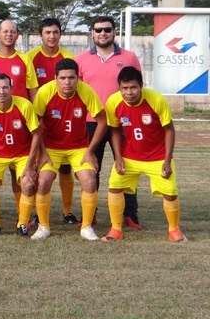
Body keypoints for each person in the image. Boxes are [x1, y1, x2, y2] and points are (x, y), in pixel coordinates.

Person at [102, 66, 187, 243]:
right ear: (119, 88)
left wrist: (167, 160)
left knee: (170, 193)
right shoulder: (113, 102)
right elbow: (115, 130)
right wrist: (118, 157)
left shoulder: (156, 100)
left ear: (141, 85)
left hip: (158, 156)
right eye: (124, 88)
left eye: (133, 87)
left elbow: (169, 130)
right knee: (114, 187)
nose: (129, 92)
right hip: (130, 156)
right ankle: (115, 229)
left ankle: (174, 230)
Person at [75, 16, 144, 230]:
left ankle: (130, 215)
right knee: (91, 169)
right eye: (98, 30)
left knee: (126, 168)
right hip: (91, 123)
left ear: (114, 32)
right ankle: (90, 214)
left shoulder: (129, 57)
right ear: (92, 33)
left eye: (107, 29)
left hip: (122, 123)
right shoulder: (81, 59)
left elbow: (138, 89)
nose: (103, 33)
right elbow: (76, 93)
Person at [31, 58, 107, 241]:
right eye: (63, 78)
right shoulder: (45, 92)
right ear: (55, 78)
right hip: (51, 147)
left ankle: (87, 227)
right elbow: (35, 124)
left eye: (71, 78)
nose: (67, 82)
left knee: (89, 180)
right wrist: (42, 151)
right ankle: (43, 226)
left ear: (78, 78)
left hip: (79, 147)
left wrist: (90, 150)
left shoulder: (86, 91)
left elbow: (103, 121)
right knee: (43, 181)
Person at [27, 18, 78, 224]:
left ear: (60, 34)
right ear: (41, 35)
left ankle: (67, 212)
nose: (52, 36)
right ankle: (37, 213)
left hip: (63, 118)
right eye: (47, 32)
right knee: (42, 166)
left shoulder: (68, 57)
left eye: (55, 32)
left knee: (66, 168)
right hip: (39, 117)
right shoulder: (31, 57)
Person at [0, 73, 41, 237]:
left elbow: (36, 134)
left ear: (11, 89)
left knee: (28, 183)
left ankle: (22, 224)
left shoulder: (24, 105)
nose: (2, 91)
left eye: (5, 87)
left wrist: (29, 166)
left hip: (23, 153)